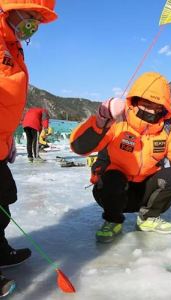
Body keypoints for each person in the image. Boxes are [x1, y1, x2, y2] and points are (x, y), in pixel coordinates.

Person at [70, 71, 171, 243]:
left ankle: (148, 218)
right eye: (146, 103)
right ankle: (112, 220)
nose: (152, 109)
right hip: (115, 191)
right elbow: (80, 147)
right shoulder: (119, 118)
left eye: (158, 105)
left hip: (146, 191)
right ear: (135, 100)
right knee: (112, 178)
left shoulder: (168, 126)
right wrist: (101, 121)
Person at [0, 0, 57, 295]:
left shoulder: (14, 45)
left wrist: (8, 140)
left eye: (38, 17)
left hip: (1, 142)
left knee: (4, 198)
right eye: (31, 15)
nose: (33, 23)